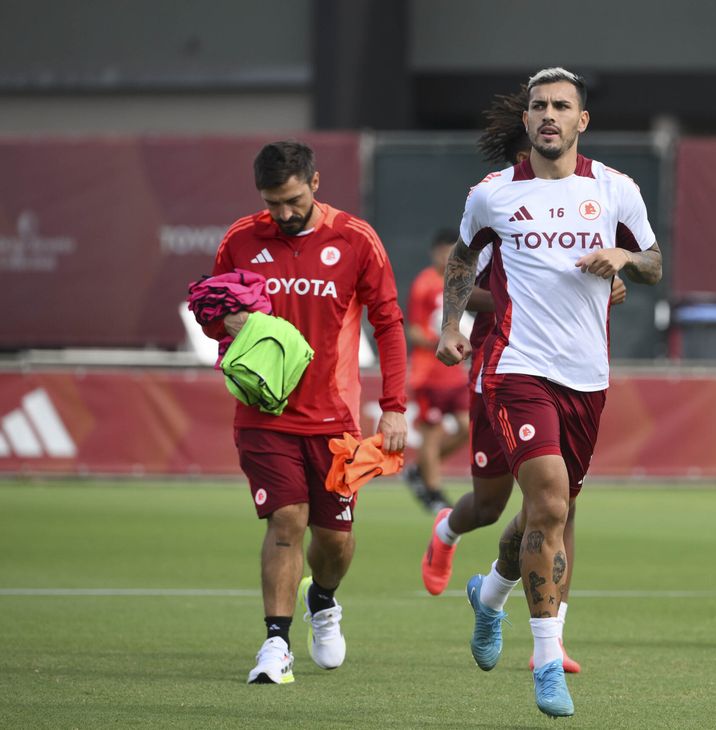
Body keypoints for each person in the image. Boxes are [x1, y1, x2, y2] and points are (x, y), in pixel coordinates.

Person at [436, 68, 662, 718]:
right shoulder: (494, 194)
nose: (549, 116)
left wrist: (623, 261)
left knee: (544, 517)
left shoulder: (616, 189)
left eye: (562, 106)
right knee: (551, 505)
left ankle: (490, 599)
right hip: (517, 369)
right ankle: (545, 662)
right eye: (539, 106)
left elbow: (653, 262)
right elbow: (462, 259)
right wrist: (452, 324)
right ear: (528, 119)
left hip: (587, 378)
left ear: (581, 120)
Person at [207, 140, 408, 684]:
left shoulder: (356, 238)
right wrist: (222, 327)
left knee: (335, 539)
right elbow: (212, 309)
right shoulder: (241, 238)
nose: (284, 213)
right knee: (286, 520)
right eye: (274, 204)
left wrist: (394, 407)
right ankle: (275, 644)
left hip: (335, 420)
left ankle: (322, 598)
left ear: (315, 183)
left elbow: (388, 324)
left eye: (293, 200)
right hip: (263, 415)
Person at [403, 228, 471, 512]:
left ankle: (419, 470)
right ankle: (433, 494)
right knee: (431, 434)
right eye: (444, 251)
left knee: (469, 428)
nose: (448, 257)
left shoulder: (461, 282)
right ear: (435, 252)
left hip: (454, 375)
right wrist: (441, 342)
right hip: (429, 374)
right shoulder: (425, 284)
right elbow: (414, 330)